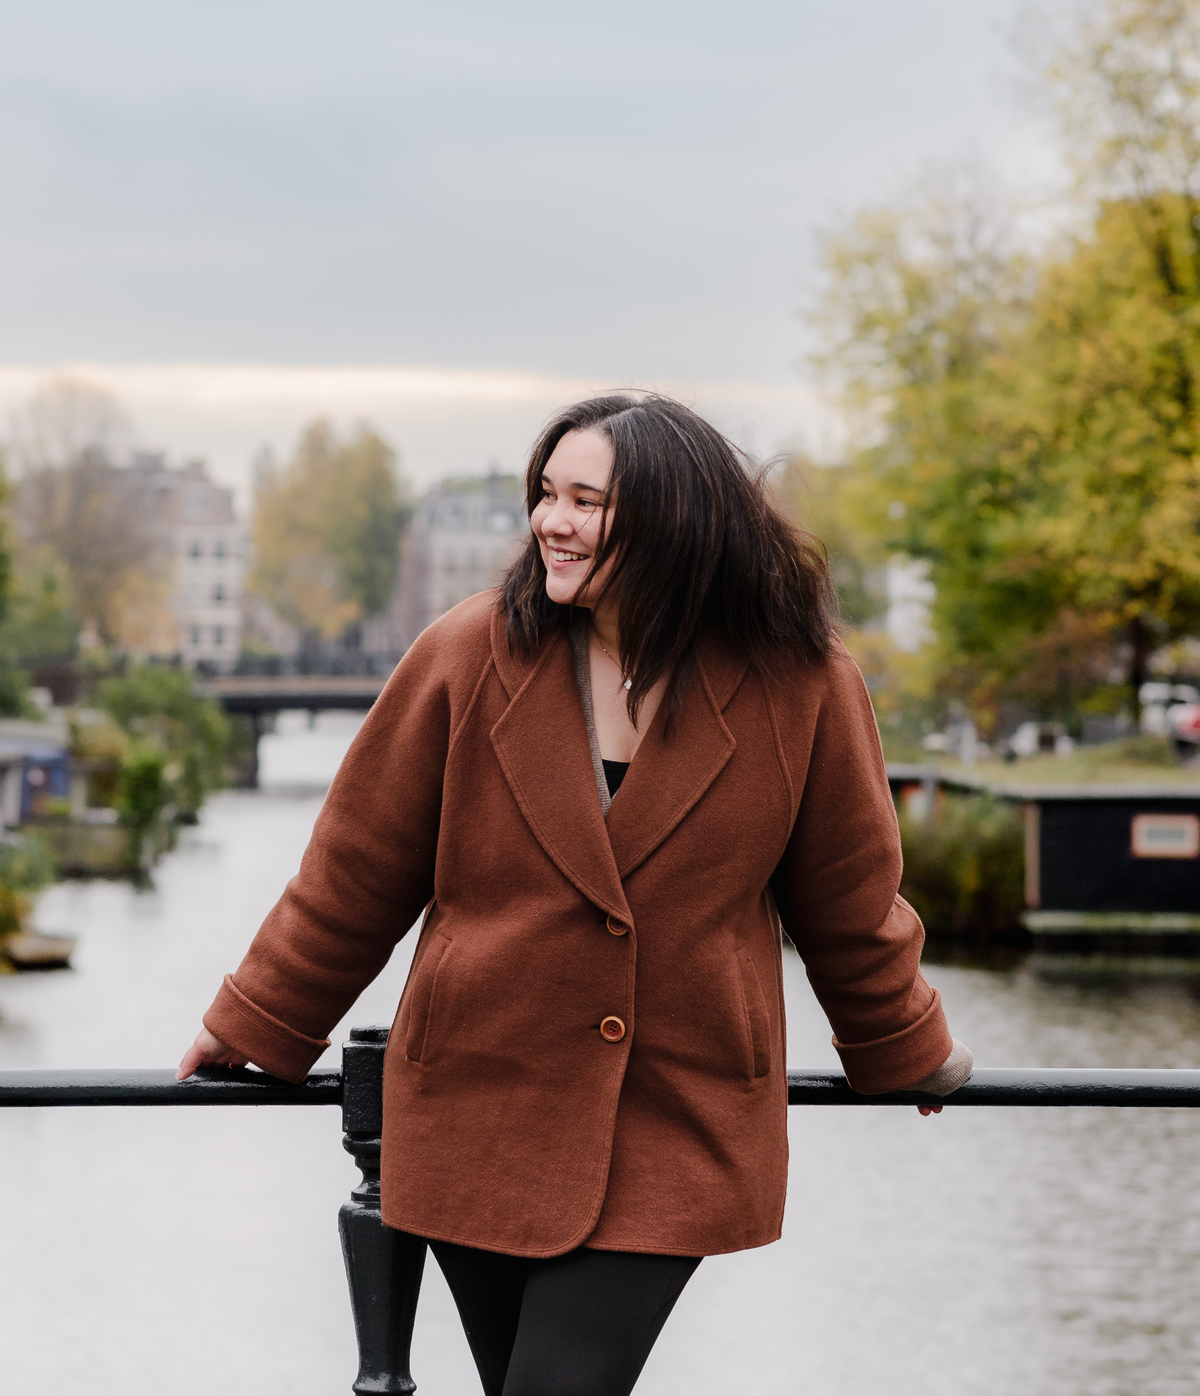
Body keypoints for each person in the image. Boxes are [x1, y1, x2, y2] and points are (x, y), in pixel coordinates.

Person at [179, 393, 971, 1396]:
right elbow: (355, 869)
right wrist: (259, 1015)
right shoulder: (466, 655)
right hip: (474, 1103)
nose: (551, 520)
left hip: (678, 1118)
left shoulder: (800, 684)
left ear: (675, 521)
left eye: (585, 500)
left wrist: (904, 1048)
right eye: (545, 494)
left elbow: (850, 898)